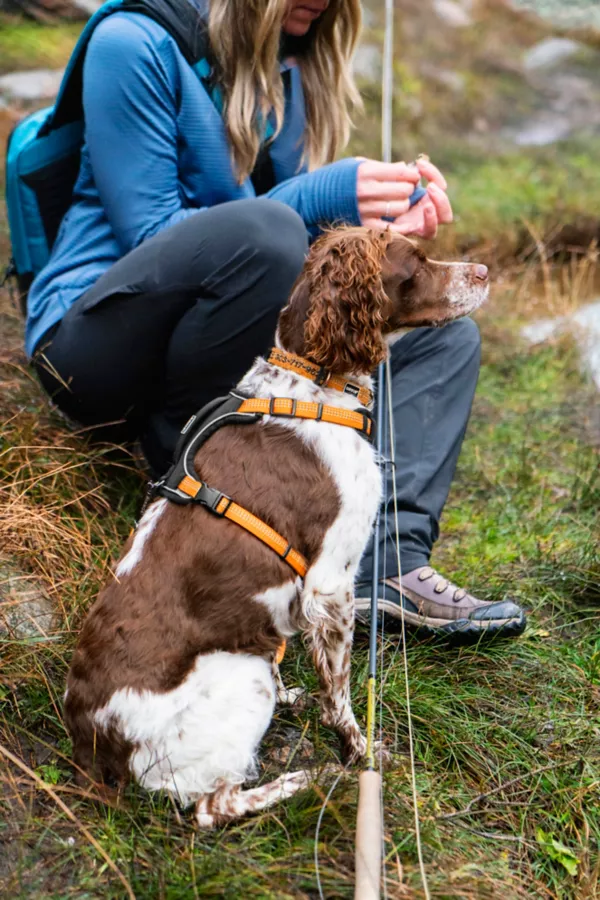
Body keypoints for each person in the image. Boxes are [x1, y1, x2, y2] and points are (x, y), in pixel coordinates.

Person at [26, 0, 525, 637]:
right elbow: (156, 232)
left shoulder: (294, 65)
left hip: (222, 330)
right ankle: (180, 450)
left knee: (443, 338)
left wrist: (380, 240)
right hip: (93, 345)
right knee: (269, 232)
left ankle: (385, 566)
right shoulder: (133, 41)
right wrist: (324, 193)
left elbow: (293, 264)